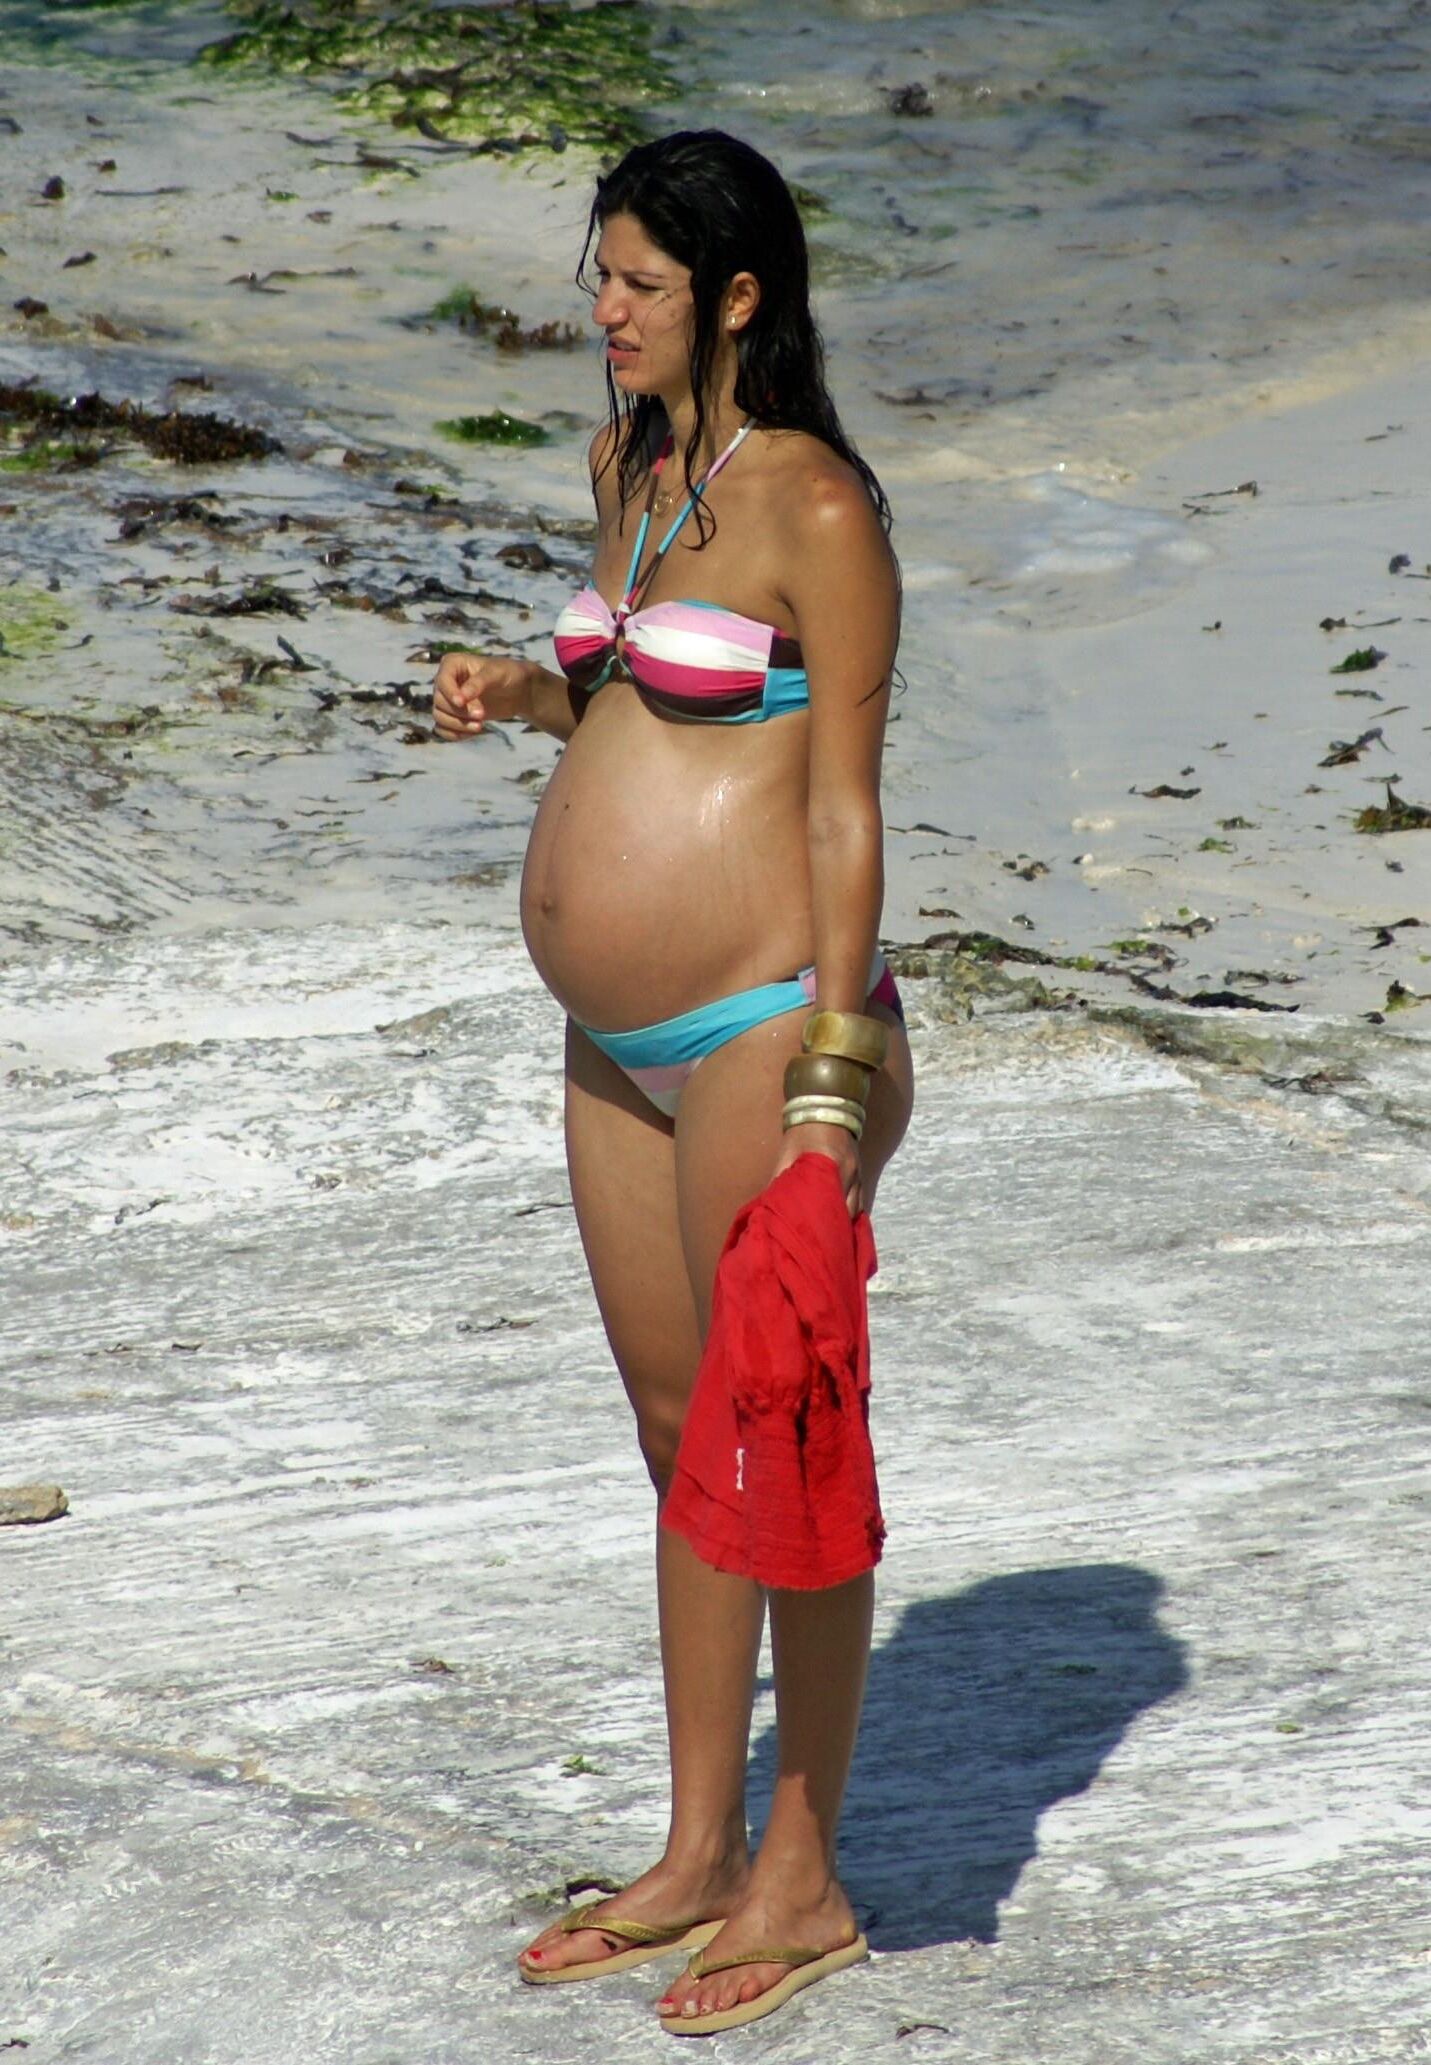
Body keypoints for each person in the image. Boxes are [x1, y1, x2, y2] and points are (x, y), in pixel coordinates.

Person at [432, 127, 914, 2036]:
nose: (603, 312)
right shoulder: (636, 462)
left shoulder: (818, 507)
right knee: (669, 1428)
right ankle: (701, 1845)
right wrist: (523, 689)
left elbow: (850, 815)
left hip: (755, 1025)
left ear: (735, 295)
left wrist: (827, 1081)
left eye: (636, 283)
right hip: (613, 1041)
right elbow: (634, 689)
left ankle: (804, 1879)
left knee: (777, 1440)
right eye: (596, 278)